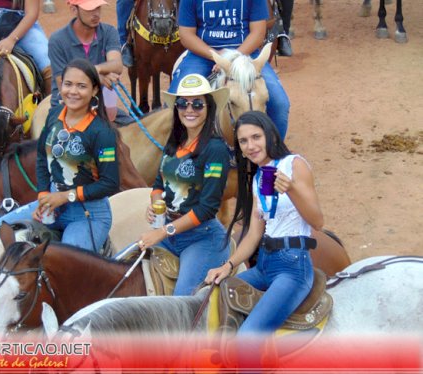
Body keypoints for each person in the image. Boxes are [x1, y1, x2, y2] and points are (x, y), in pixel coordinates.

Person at [204, 111, 323, 365]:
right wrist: (228, 265)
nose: (250, 146)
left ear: (269, 134)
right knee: (210, 297)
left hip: (292, 267)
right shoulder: (259, 177)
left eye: (256, 137)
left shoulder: (294, 164)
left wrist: (291, 189)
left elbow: (317, 221)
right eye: (244, 141)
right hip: (265, 264)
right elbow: (255, 233)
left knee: (249, 339)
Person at [0, 58, 120, 252]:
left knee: (65, 267)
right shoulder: (55, 115)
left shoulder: (102, 132)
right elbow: (43, 158)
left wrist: (64, 197)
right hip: (52, 205)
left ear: (94, 90)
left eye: (81, 86)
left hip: (88, 215)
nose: (73, 91)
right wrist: (44, 195)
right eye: (68, 84)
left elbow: (110, 183)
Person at [137, 73, 231, 296]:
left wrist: (162, 232)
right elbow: (159, 183)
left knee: (182, 300)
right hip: (169, 230)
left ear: (208, 108)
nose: (189, 110)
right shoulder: (175, 142)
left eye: (198, 104)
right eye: (182, 103)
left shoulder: (216, 150)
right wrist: (156, 204)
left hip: (203, 237)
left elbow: (207, 208)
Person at [170, 0, 290, 139]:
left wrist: (231, 58)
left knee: (279, 103)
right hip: (202, 55)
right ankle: (177, 154)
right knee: (173, 101)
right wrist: (215, 55)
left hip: (246, 52)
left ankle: (273, 154)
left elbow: (258, 33)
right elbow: (186, 35)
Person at [49, 0, 124, 122]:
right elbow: (63, 83)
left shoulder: (109, 32)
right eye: (90, 9)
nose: (96, 14)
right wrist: (97, 78)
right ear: (74, 10)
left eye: (98, 8)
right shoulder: (57, 40)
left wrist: (95, 70)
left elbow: (116, 65)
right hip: (67, 107)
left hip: (100, 106)